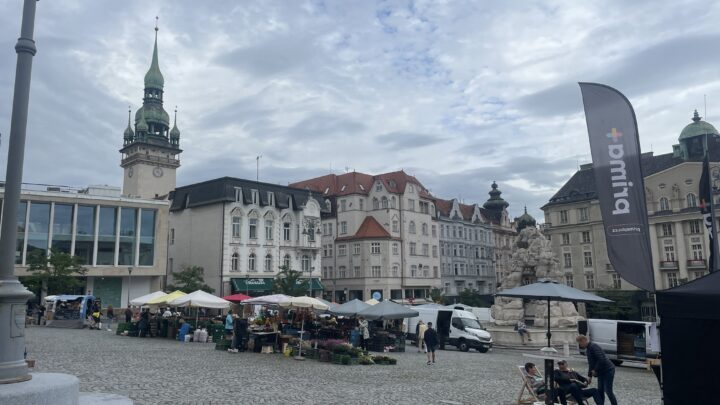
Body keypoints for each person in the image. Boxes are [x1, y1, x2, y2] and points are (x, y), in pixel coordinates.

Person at [577, 334, 617, 405]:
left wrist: (595, 370)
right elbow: (591, 364)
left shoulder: (593, 346)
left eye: (580, 343)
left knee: (608, 391)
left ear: (584, 341)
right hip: (601, 372)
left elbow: (601, 359)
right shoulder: (588, 349)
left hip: (608, 370)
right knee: (600, 390)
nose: (580, 345)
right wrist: (590, 376)